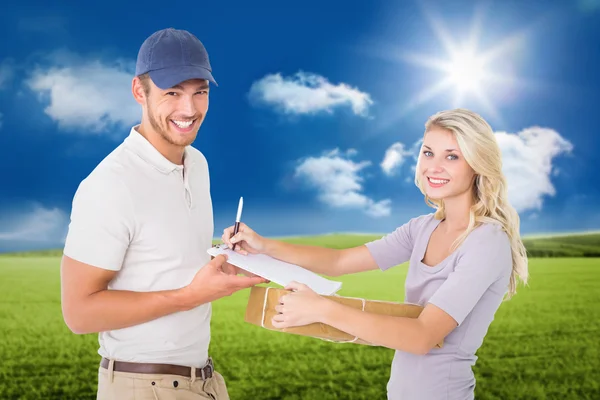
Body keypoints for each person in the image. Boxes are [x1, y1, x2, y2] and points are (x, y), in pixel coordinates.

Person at [221, 108, 529, 400]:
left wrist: (321, 309)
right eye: (427, 152)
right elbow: (338, 262)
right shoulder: (422, 229)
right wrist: (262, 245)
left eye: (452, 156)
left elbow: (422, 336)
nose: (433, 166)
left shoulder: (486, 241)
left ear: (478, 163)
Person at [60, 27, 267, 400]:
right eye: (172, 93)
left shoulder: (197, 163)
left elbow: (166, 263)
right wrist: (190, 295)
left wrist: (225, 260)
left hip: (202, 380)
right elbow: (78, 313)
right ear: (140, 91)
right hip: (142, 386)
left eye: (199, 92)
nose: (189, 110)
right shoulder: (110, 184)